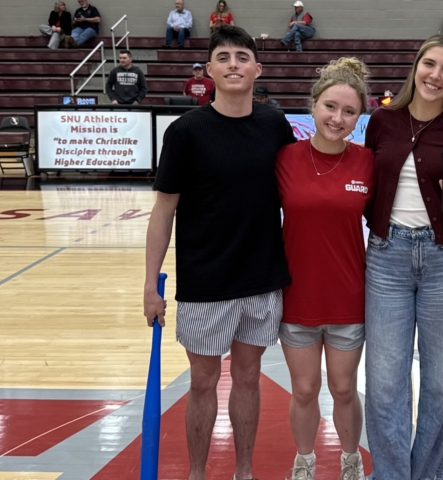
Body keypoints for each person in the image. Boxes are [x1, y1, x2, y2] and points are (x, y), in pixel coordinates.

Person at [144, 25, 296, 480]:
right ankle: (197, 473)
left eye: (242, 57)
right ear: (208, 69)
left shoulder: (274, 124)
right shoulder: (185, 132)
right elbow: (163, 211)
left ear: (257, 69)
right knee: (203, 381)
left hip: (261, 278)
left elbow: (297, 194)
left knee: (248, 378)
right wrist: (150, 286)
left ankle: (244, 472)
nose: (233, 64)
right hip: (205, 281)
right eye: (224, 57)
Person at [363, 33, 443, 480]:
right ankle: (392, 475)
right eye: (430, 64)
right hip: (386, 258)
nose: (436, 75)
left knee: (440, 383)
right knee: (384, 382)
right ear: (416, 67)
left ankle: (432, 475)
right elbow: (365, 186)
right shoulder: (383, 121)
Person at [276, 57, 374, 480]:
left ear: (359, 117)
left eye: (349, 111)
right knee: (303, 390)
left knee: (344, 388)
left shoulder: (368, 162)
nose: (337, 118)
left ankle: (351, 461)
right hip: (297, 296)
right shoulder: (284, 158)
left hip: (348, 298)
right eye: (330, 107)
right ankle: (304, 462)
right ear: (313, 105)